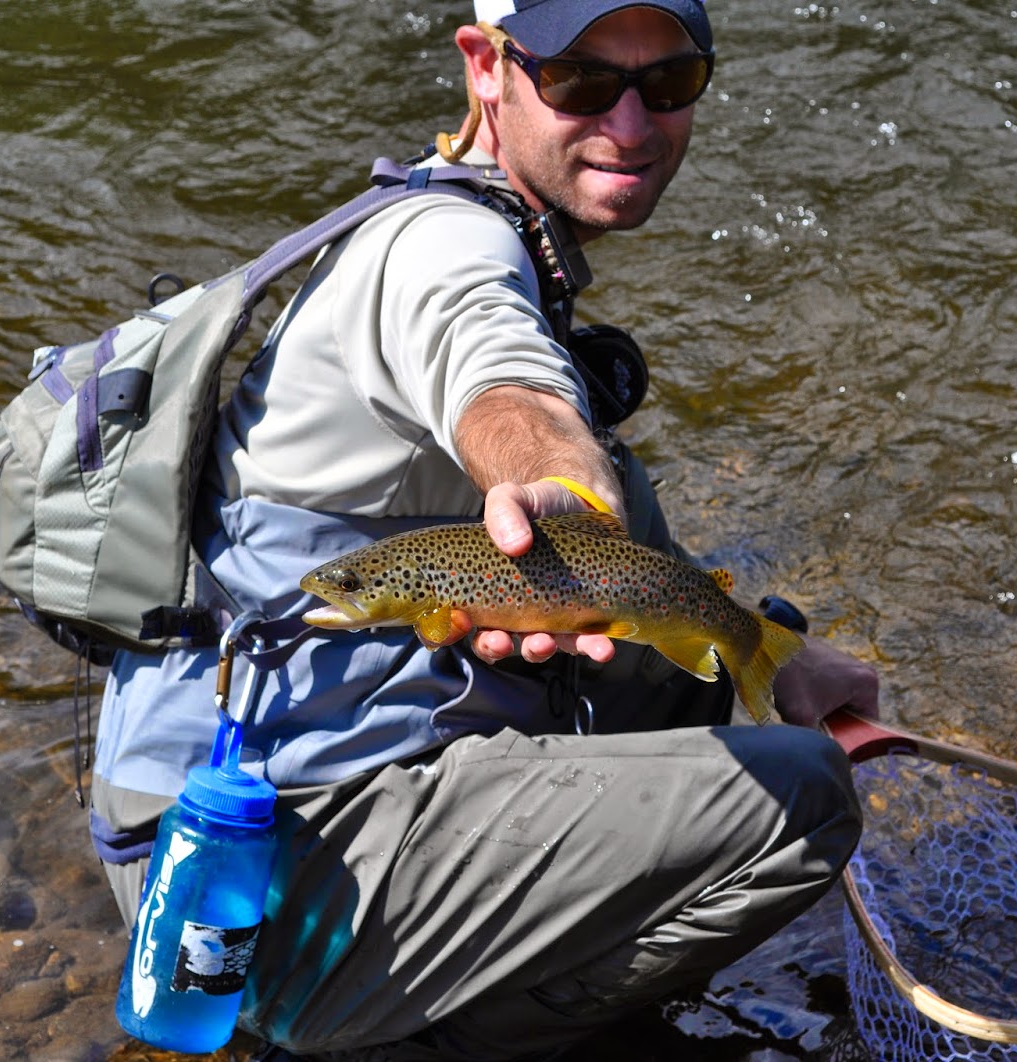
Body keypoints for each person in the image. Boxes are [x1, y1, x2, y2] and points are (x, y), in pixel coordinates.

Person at [90, 1, 879, 1058]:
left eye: (672, 82)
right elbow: (507, 390)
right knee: (801, 804)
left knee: (682, 674)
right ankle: (411, 1032)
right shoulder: (442, 248)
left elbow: (640, 571)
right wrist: (556, 481)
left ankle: (427, 966)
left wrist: (775, 648)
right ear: (484, 68)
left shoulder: (485, 228)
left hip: (264, 806)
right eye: (584, 83)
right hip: (240, 869)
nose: (634, 123)